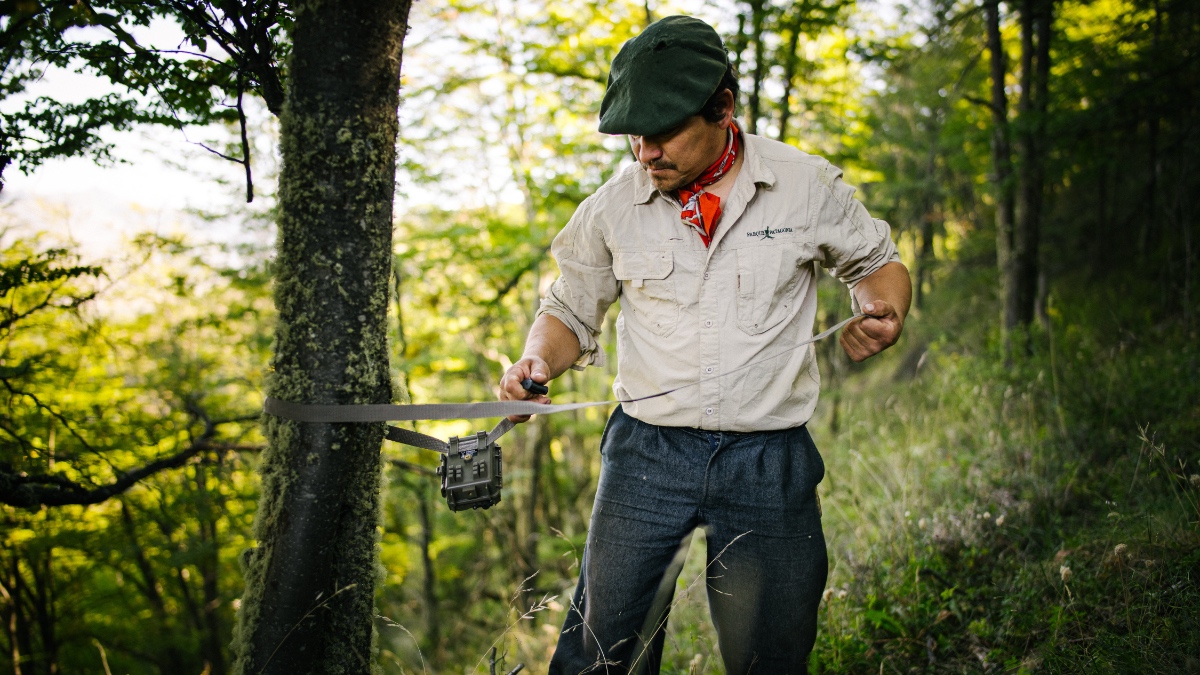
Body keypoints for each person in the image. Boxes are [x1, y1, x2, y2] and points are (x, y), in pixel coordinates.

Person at [498, 15, 911, 674]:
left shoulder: (805, 186)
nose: (645, 154)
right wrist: (535, 362)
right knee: (601, 655)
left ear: (722, 107)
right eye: (634, 137)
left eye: (662, 135)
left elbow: (878, 266)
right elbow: (570, 309)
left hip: (769, 460)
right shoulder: (612, 209)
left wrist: (881, 311)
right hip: (645, 456)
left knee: (772, 655)